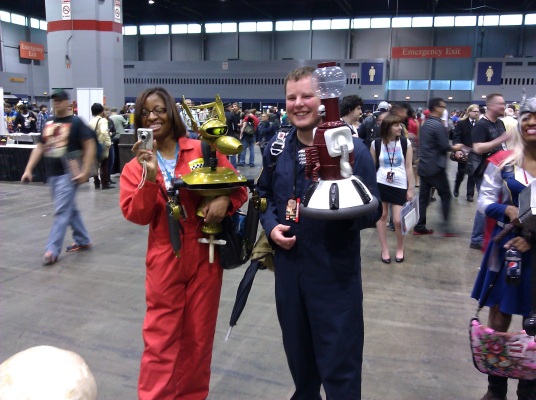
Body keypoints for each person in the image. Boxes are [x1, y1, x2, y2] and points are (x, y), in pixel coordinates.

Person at [257, 66, 381, 399]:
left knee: (340, 374)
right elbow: (264, 196)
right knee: (301, 368)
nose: (298, 103)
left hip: (334, 280)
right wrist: (271, 228)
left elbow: (376, 209)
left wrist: (340, 210)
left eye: (307, 95)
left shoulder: (351, 150)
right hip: (289, 276)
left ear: (323, 99)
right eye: (291, 97)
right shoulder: (277, 148)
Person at [119, 87, 247, 400]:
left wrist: (223, 203)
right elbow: (136, 214)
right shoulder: (136, 165)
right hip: (165, 257)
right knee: (160, 340)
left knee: (198, 339)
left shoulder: (203, 149)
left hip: (206, 252)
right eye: (146, 111)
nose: (153, 116)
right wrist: (149, 179)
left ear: (172, 113)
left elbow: (238, 189)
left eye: (160, 109)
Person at [470, 94, 536, 400]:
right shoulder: (503, 162)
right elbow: (484, 201)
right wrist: (505, 211)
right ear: (519, 122)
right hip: (506, 250)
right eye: (527, 117)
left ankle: (528, 387)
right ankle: (495, 389)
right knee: (498, 318)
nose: (532, 122)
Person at [21, 89, 95, 266]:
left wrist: (85, 171)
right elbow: (40, 146)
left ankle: (52, 250)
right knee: (69, 208)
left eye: (60, 100)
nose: (56, 104)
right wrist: (28, 169)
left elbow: (90, 144)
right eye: (54, 101)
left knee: (61, 210)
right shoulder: (48, 122)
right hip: (52, 174)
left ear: (68, 103)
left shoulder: (76, 122)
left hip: (70, 173)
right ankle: (83, 239)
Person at [413, 98, 463, 236]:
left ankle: (419, 226)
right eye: (443, 107)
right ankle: (447, 229)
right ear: (436, 107)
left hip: (424, 166)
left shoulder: (425, 124)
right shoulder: (437, 125)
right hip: (436, 168)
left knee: (423, 198)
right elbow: (445, 146)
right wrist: (456, 147)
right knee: (446, 196)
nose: (444, 110)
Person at [371, 113, 414, 263]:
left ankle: (400, 248)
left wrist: (411, 188)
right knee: (381, 216)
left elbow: (409, 167)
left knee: (397, 220)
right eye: (396, 125)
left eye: (400, 125)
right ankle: (384, 249)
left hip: (400, 184)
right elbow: (372, 167)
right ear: (387, 127)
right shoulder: (376, 144)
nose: (400, 128)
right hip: (381, 183)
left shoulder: (405, 143)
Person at [470, 93, 509, 250]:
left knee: (495, 202)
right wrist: (500, 140)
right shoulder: (481, 125)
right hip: (483, 170)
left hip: (497, 169)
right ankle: (477, 238)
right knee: (485, 203)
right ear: (491, 106)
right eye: (501, 104)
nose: (504, 107)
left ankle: (485, 233)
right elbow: (477, 148)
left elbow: (503, 145)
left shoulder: (499, 123)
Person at [452, 104, 479, 202]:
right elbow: (456, 137)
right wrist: (457, 150)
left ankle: (470, 194)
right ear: (469, 112)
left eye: (477, 111)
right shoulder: (461, 123)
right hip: (463, 152)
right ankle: (456, 187)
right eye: (474, 111)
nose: (476, 113)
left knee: (472, 174)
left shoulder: (480, 123)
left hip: (475, 153)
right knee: (461, 173)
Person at [89, 103, 113, 189]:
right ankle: (105, 184)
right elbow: (104, 131)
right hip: (101, 144)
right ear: (102, 111)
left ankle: (96, 182)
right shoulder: (103, 121)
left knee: (95, 164)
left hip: (93, 145)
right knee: (104, 164)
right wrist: (108, 142)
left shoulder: (91, 121)